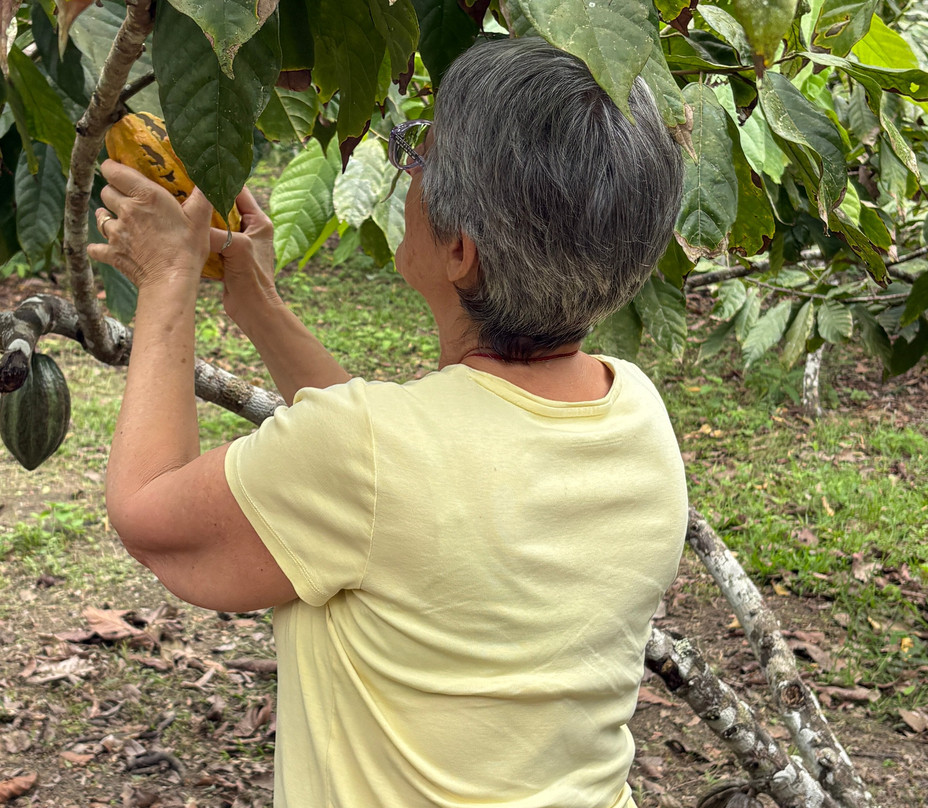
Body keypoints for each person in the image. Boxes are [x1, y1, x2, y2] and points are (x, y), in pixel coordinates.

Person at [88, 36, 687, 808]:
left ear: (460, 250)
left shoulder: (369, 456)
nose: (408, 175)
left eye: (421, 160)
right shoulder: (634, 409)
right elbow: (409, 481)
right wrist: (258, 304)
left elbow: (149, 513)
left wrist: (167, 280)